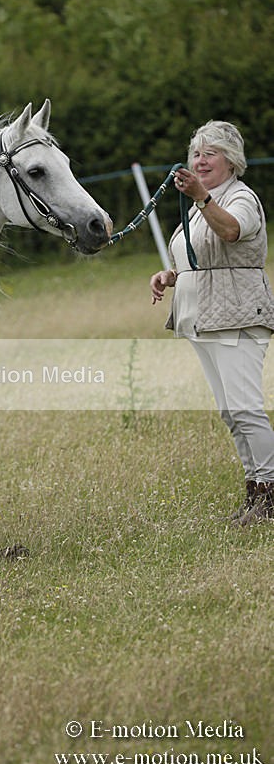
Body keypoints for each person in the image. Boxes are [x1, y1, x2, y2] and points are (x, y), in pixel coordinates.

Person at [150, 120, 274, 525]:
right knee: (229, 411)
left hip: (236, 316)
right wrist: (171, 275)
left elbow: (232, 231)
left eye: (211, 153)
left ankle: (270, 492)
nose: (200, 161)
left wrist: (201, 197)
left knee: (246, 408)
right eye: (197, 153)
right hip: (203, 318)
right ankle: (255, 492)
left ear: (231, 159)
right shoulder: (206, 201)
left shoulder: (240, 198)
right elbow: (200, 256)